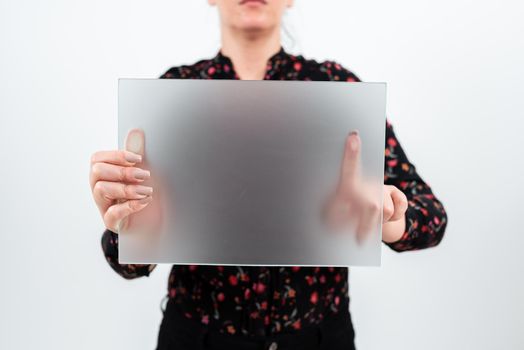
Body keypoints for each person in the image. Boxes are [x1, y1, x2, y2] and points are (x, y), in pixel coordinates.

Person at [89, 0, 448, 349]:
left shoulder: (337, 90)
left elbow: (431, 217)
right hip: (196, 336)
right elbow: (126, 261)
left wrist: (386, 217)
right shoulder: (173, 94)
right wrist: (137, 229)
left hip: (319, 337)